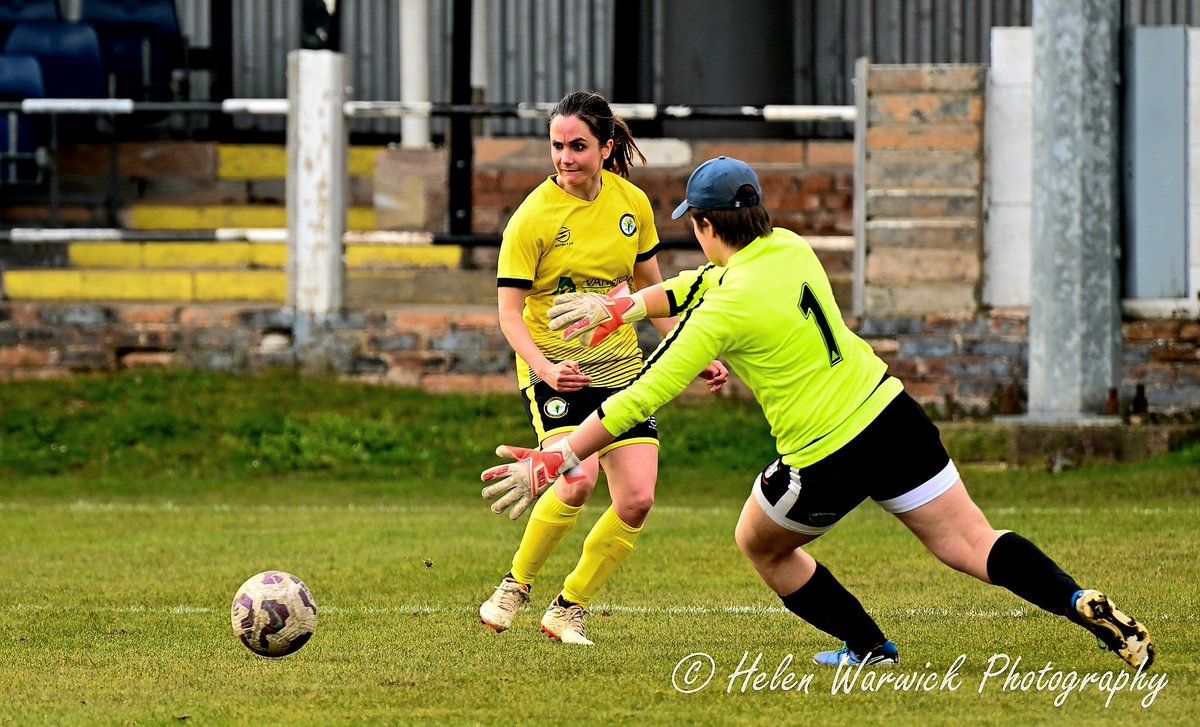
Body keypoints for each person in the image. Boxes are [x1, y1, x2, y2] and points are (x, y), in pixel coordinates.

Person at [481, 156, 1155, 670]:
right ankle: (1077, 601)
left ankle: (867, 644)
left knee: (760, 542)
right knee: (972, 541)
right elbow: (697, 282)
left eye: (696, 222)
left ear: (707, 225)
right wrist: (623, 306)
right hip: (891, 412)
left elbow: (642, 394)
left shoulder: (723, 309)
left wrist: (563, 452)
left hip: (828, 452)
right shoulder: (792, 246)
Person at [479, 91, 729, 646]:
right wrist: (544, 369)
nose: (565, 158)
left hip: (621, 370)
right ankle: (515, 587)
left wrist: (693, 349)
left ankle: (569, 608)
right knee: (576, 479)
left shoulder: (631, 204)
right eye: (557, 146)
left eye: (578, 146)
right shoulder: (531, 219)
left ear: (605, 146)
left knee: (638, 498)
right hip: (558, 371)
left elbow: (651, 292)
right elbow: (508, 315)